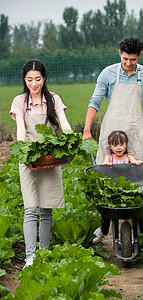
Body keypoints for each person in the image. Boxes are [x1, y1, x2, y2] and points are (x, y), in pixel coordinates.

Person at [83, 36, 143, 243]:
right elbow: (95, 101)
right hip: (112, 133)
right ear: (120, 53)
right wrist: (87, 129)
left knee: (137, 177)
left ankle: (136, 223)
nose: (128, 63)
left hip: (134, 132)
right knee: (106, 180)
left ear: (139, 56)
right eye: (125, 58)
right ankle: (104, 225)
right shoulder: (108, 73)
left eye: (133, 60)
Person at [9, 59, 71, 268]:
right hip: (28, 159)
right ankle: (30, 257)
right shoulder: (20, 101)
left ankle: (43, 254)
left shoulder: (53, 99)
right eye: (29, 79)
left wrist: (71, 143)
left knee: (46, 209)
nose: (34, 83)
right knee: (30, 209)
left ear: (44, 78)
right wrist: (24, 154)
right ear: (24, 79)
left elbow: (64, 125)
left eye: (38, 79)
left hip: (50, 157)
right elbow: (20, 131)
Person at [93, 130, 143, 244]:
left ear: (126, 144)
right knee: (113, 216)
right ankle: (116, 238)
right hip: (113, 189)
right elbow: (105, 163)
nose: (119, 148)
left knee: (125, 215)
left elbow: (135, 162)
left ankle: (127, 236)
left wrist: (138, 163)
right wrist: (107, 164)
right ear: (110, 146)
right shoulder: (109, 157)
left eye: (121, 144)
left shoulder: (129, 157)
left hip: (127, 188)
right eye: (115, 145)